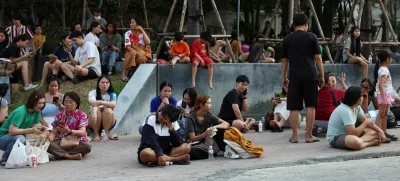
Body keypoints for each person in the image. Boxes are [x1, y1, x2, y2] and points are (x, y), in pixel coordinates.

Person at [281, 13, 324, 143]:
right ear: (306, 24)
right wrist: (321, 75)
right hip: (310, 74)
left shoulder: (288, 39)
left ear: (293, 25)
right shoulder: (312, 37)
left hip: (294, 75)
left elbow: (284, 60)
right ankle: (309, 136)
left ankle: (294, 137)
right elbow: (318, 58)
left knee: (293, 107)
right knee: (311, 105)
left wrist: (283, 77)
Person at [0, 91, 47, 166]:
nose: (41, 105)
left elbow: (34, 128)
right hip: (3, 137)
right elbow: (11, 131)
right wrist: (32, 130)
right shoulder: (21, 111)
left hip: (17, 138)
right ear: (32, 102)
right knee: (21, 138)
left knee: (34, 138)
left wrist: (40, 130)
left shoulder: (37, 112)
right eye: (39, 103)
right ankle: (5, 157)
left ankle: (13, 157)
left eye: (43, 103)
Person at [47, 92, 91, 160]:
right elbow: (53, 132)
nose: (67, 104)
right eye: (66, 102)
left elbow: (82, 132)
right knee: (47, 144)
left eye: (70, 102)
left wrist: (69, 131)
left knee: (87, 147)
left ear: (76, 104)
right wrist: (51, 137)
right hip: (62, 142)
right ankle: (70, 156)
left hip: (77, 142)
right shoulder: (59, 116)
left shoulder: (81, 115)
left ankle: (59, 153)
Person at [186, 95, 230, 160]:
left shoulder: (208, 114)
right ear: (201, 105)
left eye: (210, 103)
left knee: (222, 129)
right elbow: (193, 138)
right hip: (196, 144)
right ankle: (213, 152)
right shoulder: (190, 118)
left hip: (208, 143)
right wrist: (205, 134)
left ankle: (214, 151)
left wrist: (215, 127)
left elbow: (226, 124)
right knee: (192, 152)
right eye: (208, 103)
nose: (211, 105)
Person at [88, 75, 118, 142]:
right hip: (93, 120)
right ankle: (96, 134)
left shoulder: (112, 94)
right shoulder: (92, 93)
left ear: (109, 84)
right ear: (98, 83)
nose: (105, 84)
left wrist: (101, 102)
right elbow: (93, 103)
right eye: (102, 82)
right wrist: (95, 112)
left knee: (108, 110)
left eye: (107, 83)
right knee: (96, 110)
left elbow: (113, 105)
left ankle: (106, 134)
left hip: (109, 121)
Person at [374, 50, 395, 143]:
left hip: (387, 94)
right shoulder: (382, 69)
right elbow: (380, 85)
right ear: (387, 59)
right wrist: (383, 98)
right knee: (381, 114)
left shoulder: (384, 68)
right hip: (384, 95)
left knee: (385, 114)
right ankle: (379, 134)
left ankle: (384, 133)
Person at [122, 17, 151, 82]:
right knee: (133, 53)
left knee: (141, 58)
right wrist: (137, 53)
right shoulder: (128, 33)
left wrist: (142, 30)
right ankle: (124, 73)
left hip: (142, 53)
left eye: (132, 22)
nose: (130, 24)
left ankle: (133, 72)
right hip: (130, 52)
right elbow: (128, 46)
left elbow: (148, 42)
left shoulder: (142, 33)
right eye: (130, 22)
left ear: (138, 25)